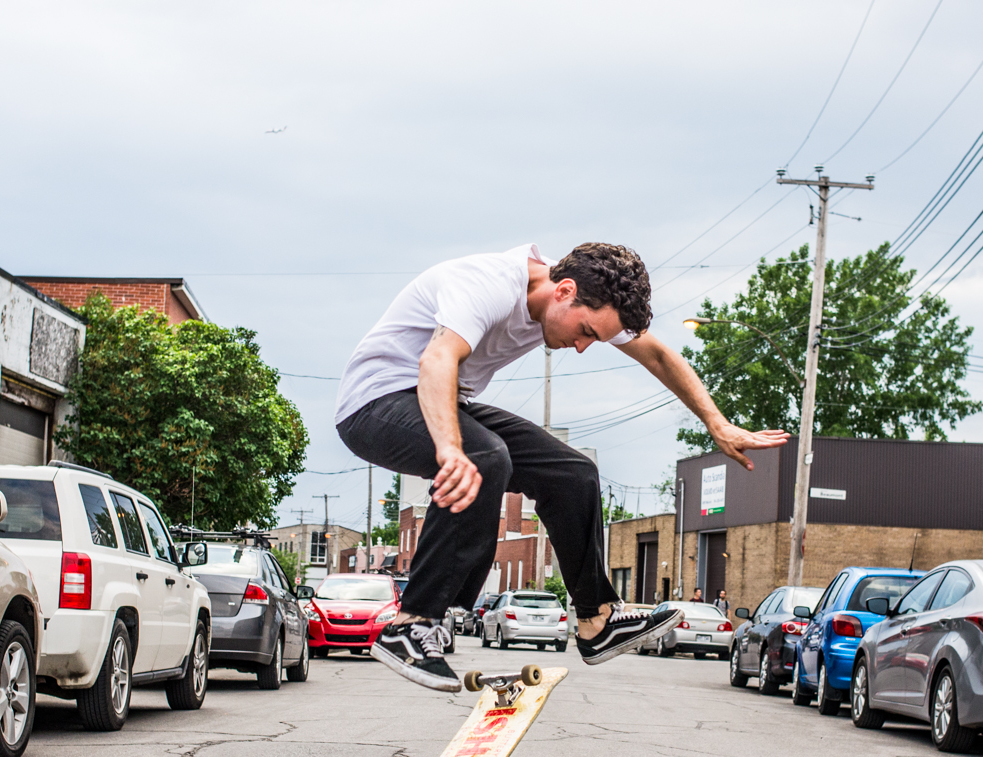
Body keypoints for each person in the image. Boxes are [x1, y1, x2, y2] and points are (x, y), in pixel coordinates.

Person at [335, 243, 789, 691]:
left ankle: (596, 620)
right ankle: (411, 625)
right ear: (564, 290)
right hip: (373, 404)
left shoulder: (585, 294)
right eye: (587, 330)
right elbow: (437, 360)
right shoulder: (486, 285)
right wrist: (450, 448)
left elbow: (658, 355)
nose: (583, 346)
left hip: (447, 402)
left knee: (573, 473)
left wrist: (718, 423)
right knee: (486, 454)